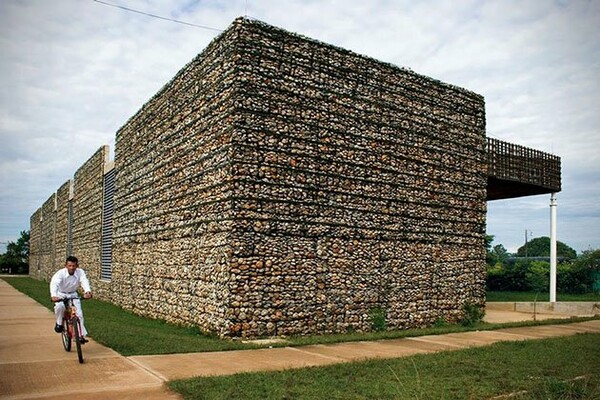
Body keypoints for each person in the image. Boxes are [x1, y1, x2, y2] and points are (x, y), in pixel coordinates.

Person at [50, 256, 92, 343]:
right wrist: (54, 295)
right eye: (69, 265)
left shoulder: (80, 272)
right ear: (66, 265)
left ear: (77, 266)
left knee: (79, 314)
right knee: (60, 307)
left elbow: (84, 281)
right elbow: (54, 284)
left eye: (73, 266)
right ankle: (59, 323)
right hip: (61, 294)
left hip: (73, 294)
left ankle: (81, 336)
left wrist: (87, 291)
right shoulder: (60, 273)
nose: (72, 268)